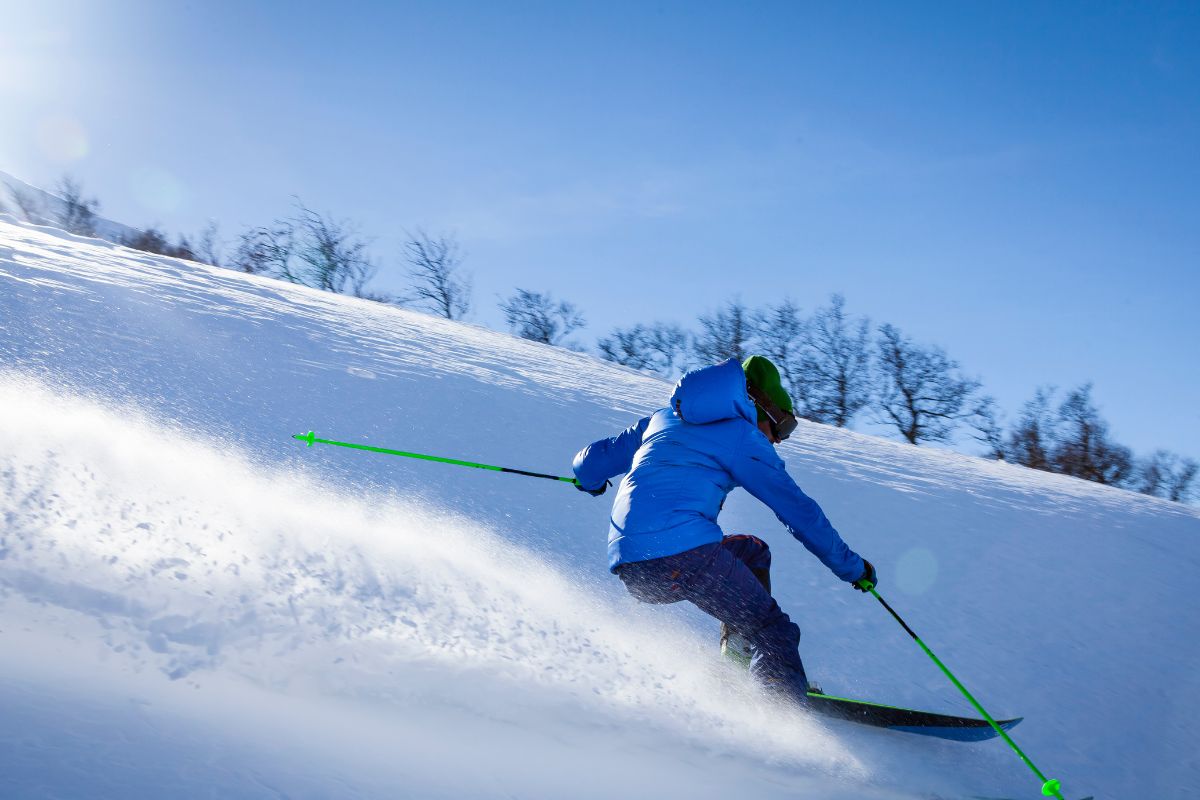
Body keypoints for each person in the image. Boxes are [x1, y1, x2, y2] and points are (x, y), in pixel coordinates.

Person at [572, 355, 876, 706]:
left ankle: (737, 668)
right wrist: (852, 568)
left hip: (633, 568)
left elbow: (591, 462)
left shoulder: (662, 419)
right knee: (773, 630)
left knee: (752, 551)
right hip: (683, 555)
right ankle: (781, 710)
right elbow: (799, 512)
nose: (778, 439)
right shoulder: (741, 437)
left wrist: (590, 481)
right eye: (783, 427)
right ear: (762, 406)